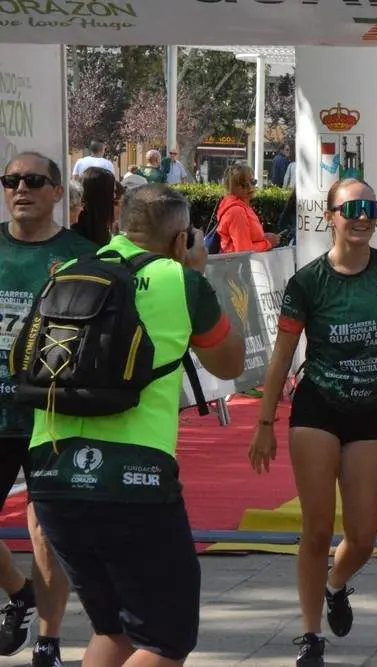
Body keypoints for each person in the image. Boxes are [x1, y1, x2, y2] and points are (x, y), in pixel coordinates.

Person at [25, 184, 245, 667]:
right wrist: (196, 275)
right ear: (180, 238)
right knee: (165, 641)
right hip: (134, 480)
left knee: (115, 629)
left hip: (52, 476)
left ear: (122, 226)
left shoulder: (68, 271)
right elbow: (231, 363)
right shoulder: (179, 279)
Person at [248, 178, 377, 667]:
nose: (361, 216)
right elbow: (283, 353)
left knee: (364, 536)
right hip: (316, 410)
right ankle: (310, 637)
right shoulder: (308, 281)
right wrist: (265, 422)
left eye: (370, 207)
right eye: (351, 208)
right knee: (316, 528)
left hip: (366, 413)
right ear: (329, 217)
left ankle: (335, 583)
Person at [0, 152, 96, 667]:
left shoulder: (81, 254)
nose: (21, 189)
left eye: (34, 181)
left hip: (51, 416)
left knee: (44, 532)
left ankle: (49, 640)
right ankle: (19, 592)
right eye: (11, 180)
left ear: (59, 193)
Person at [217, 164, 279, 253]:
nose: (250, 187)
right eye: (243, 184)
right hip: (237, 265)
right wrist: (268, 243)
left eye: (253, 182)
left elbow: (246, 238)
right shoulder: (237, 211)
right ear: (232, 187)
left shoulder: (242, 206)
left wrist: (263, 237)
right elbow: (243, 251)